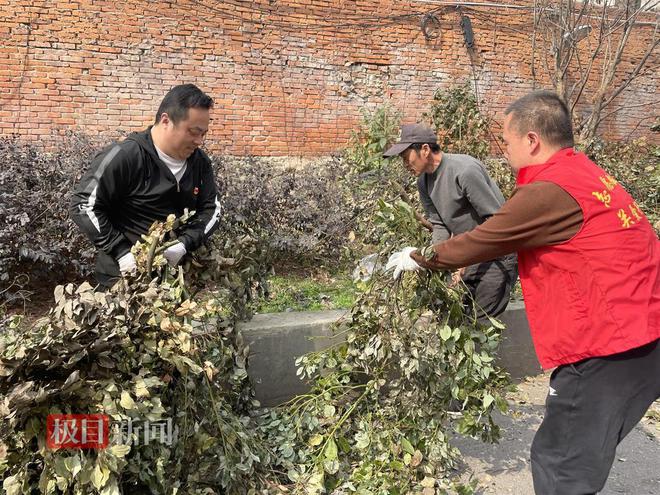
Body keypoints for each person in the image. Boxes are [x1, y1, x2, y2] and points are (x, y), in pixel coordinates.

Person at [386, 90, 660, 495]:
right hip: (641, 333)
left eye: (508, 141)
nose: (506, 151)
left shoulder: (548, 189)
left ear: (531, 140)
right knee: (581, 454)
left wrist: (422, 257)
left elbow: (495, 232)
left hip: (610, 344)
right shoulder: (586, 173)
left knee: (559, 464)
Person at [70, 83, 221, 288]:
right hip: (120, 278)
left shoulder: (200, 163)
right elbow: (84, 205)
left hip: (173, 278)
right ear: (166, 121)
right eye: (193, 132)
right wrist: (121, 252)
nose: (199, 141)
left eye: (203, 134)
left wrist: (184, 244)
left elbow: (211, 209)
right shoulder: (125, 156)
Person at [383, 123, 518, 321]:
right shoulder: (424, 182)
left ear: (425, 150)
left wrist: (462, 259)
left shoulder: (464, 170)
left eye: (406, 157)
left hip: (498, 256)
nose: (404, 164)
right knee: (456, 321)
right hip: (471, 256)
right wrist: (432, 260)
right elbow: (439, 225)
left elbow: (496, 222)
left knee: (480, 327)